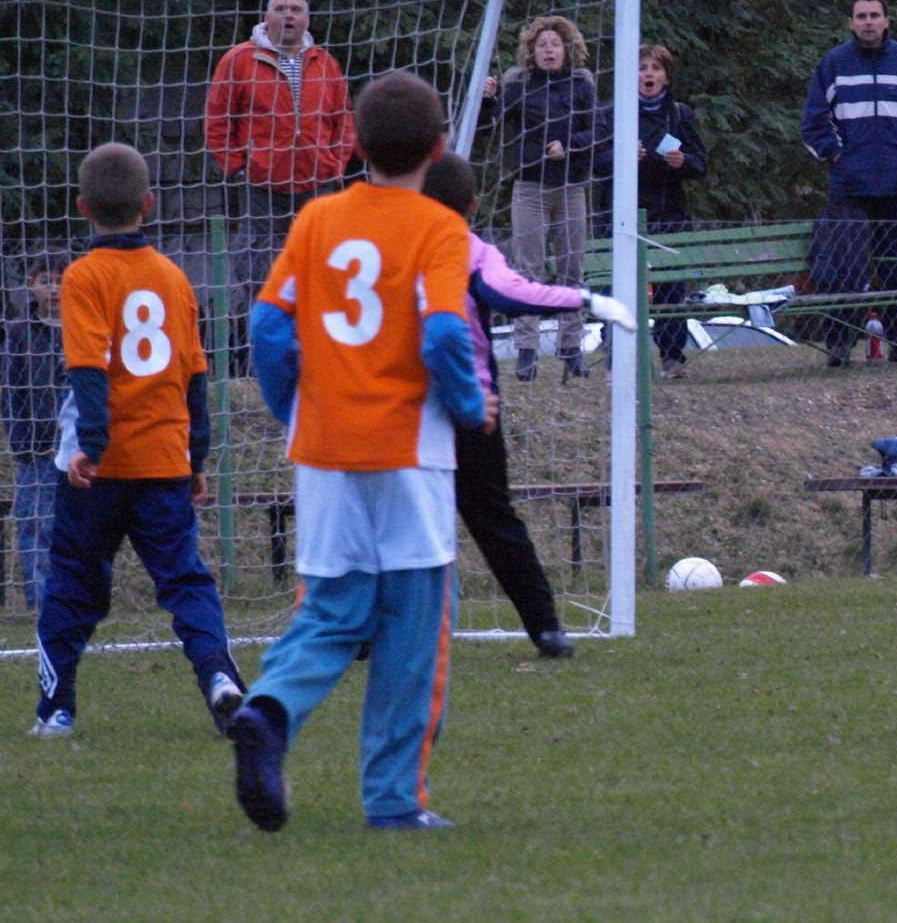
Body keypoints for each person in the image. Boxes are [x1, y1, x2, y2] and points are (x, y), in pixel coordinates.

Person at [230, 71, 495, 832]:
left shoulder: (317, 218)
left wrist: (297, 410)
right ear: (439, 147)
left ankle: (270, 710)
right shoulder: (439, 228)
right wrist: (471, 407)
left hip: (323, 449)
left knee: (334, 609)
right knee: (415, 627)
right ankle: (392, 801)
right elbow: (445, 334)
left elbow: (269, 331)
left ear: (353, 141)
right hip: (408, 452)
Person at [30, 144, 246, 739]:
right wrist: (195, 455)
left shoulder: (83, 276)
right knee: (185, 580)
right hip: (163, 460)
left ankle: (56, 709)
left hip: (96, 469)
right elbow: (195, 375)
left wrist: (91, 448)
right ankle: (220, 679)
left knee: (72, 583)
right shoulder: (173, 277)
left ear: (82, 207)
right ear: (148, 204)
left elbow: (89, 371)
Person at [421, 153, 636, 657]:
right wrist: (585, 299)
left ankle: (364, 635)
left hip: (400, 407)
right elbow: (509, 292)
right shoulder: (468, 249)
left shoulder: (387, 248)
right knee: (495, 520)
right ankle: (546, 629)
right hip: (471, 405)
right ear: (472, 204)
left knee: (392, 523)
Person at [204, 0, 354, 367]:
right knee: (259, 272)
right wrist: (236, 166)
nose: (288, 16)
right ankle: (265, 360)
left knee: (322, 271)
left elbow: (342, 119)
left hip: (317, 184)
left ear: (307, 18)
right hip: (261, 185)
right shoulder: (238, 59)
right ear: (266, 16)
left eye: (296, 10)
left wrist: (335, 164)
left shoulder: (326, 62)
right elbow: (218, 118)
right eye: (281, 9)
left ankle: (319, 356)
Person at [802, 0, 897, 367]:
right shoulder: (833, 64)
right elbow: (814, 122)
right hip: (849, 187)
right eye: (860, 16)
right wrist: (837, 156)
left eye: (874, 15)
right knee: (845, 269)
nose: (867, 21)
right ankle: (839, 346)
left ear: (886, 20)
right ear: (851, 23)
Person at [481, 16, 600, 382]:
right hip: (529, 187)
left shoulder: (581, 86)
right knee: (529, 269)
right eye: (542, 44)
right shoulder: (520, 85)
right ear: (532, 51)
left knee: (571, 268)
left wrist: (570, 146)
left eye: (555, 44)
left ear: (568, 49)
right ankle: (526, 351)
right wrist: (487, 100)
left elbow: (598, 129)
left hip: (571, 187)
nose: (549, 50)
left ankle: (570, 347)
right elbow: (493, 125)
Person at [636, 44, 708, 378]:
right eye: (642, 67)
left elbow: (700, 164)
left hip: (670, 214)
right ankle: (617, 357)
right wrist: (625, 157)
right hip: (626, 215)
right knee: (621, 288)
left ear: (666, 76)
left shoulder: (680, 115)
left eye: (655, 68)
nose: (648, 74)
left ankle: (672, 356)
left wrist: (682, 164)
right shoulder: (616, 113)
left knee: (671, 290)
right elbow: (599, 161)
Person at [3, 253, 65, 612]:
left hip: (80, 446)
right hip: (37, 449)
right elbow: (10, 392)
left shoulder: (84, 325)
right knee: (35, 523)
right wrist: (21, 442)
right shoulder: (20, 332)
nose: (54, 289)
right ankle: (40, 600)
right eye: (47, 281)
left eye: (61, 280)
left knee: (78, 527)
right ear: (32, 285)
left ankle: (80, 596)